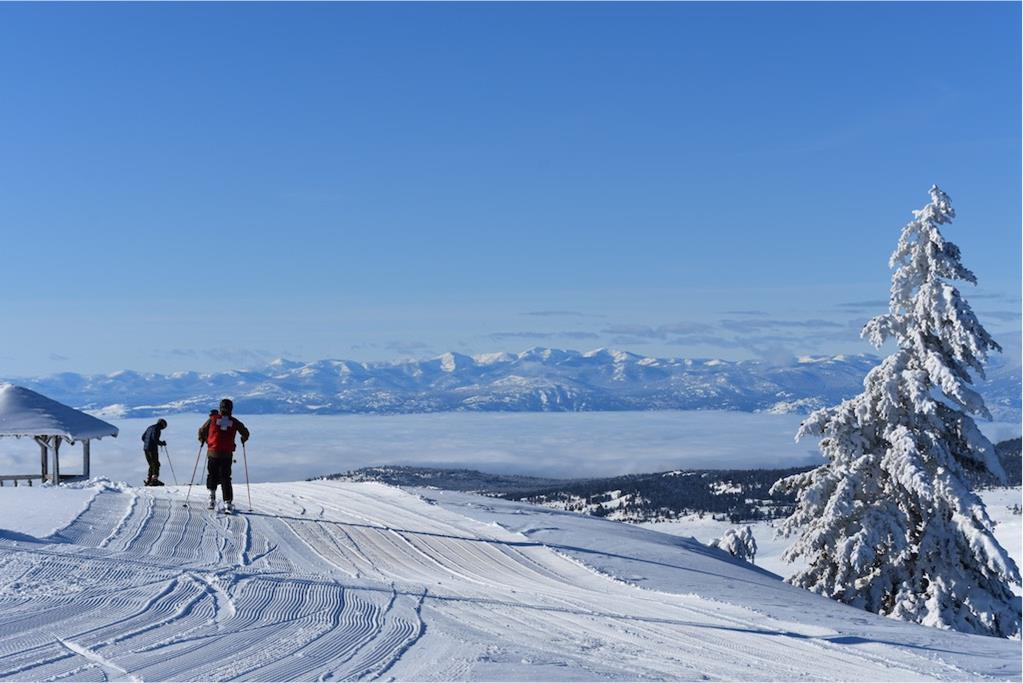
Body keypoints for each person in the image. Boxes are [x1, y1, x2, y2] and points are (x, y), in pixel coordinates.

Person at [198, 399, 250, 512]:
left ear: (220, 407)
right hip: (227, 454)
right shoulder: (234, 421)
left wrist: (205, 440)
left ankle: (211, 499)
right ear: (231, 408)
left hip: (213, 452)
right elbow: (245, 432)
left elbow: (201, 431)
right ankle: (228, 503)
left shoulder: (212, 419)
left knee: (212, 474)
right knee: (225, 477)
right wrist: (243, 439)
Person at [141, 419, 168, 486]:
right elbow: (155, 439)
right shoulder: (157, 429)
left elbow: (143, 437)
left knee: (151, 464)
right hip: (152, 449)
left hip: (145, 448)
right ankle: (154, 481)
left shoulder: (150, 427)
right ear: (162, 424)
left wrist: (147, 443)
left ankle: (149, 480)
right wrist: (162, 443)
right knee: (156, 464)